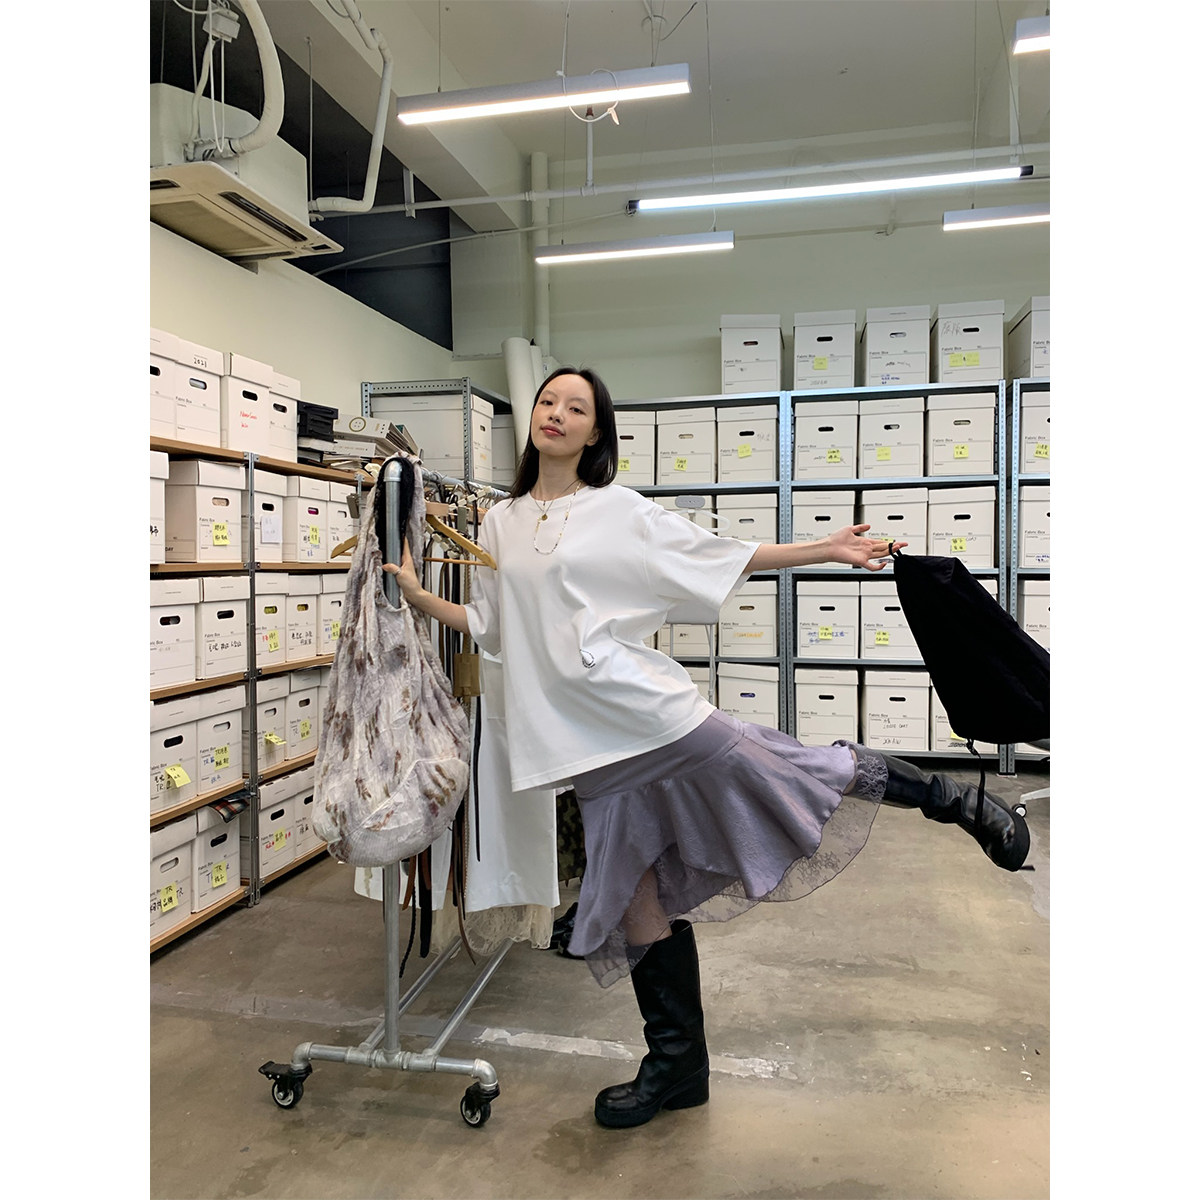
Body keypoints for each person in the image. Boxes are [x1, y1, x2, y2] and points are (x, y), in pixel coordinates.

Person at [384, 366, 1030, 1130]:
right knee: (634, 898)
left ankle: (955, 801)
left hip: (648, 716)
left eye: (575, 407)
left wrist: (825, 548)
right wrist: (419, 597)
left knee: (800, 772)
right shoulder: (500, 522)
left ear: (596, 432)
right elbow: (493, 624)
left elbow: (719, 553)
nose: (555, 413)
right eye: (548, 401)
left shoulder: (617, 511)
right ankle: (678, 1067)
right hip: (582, 747)